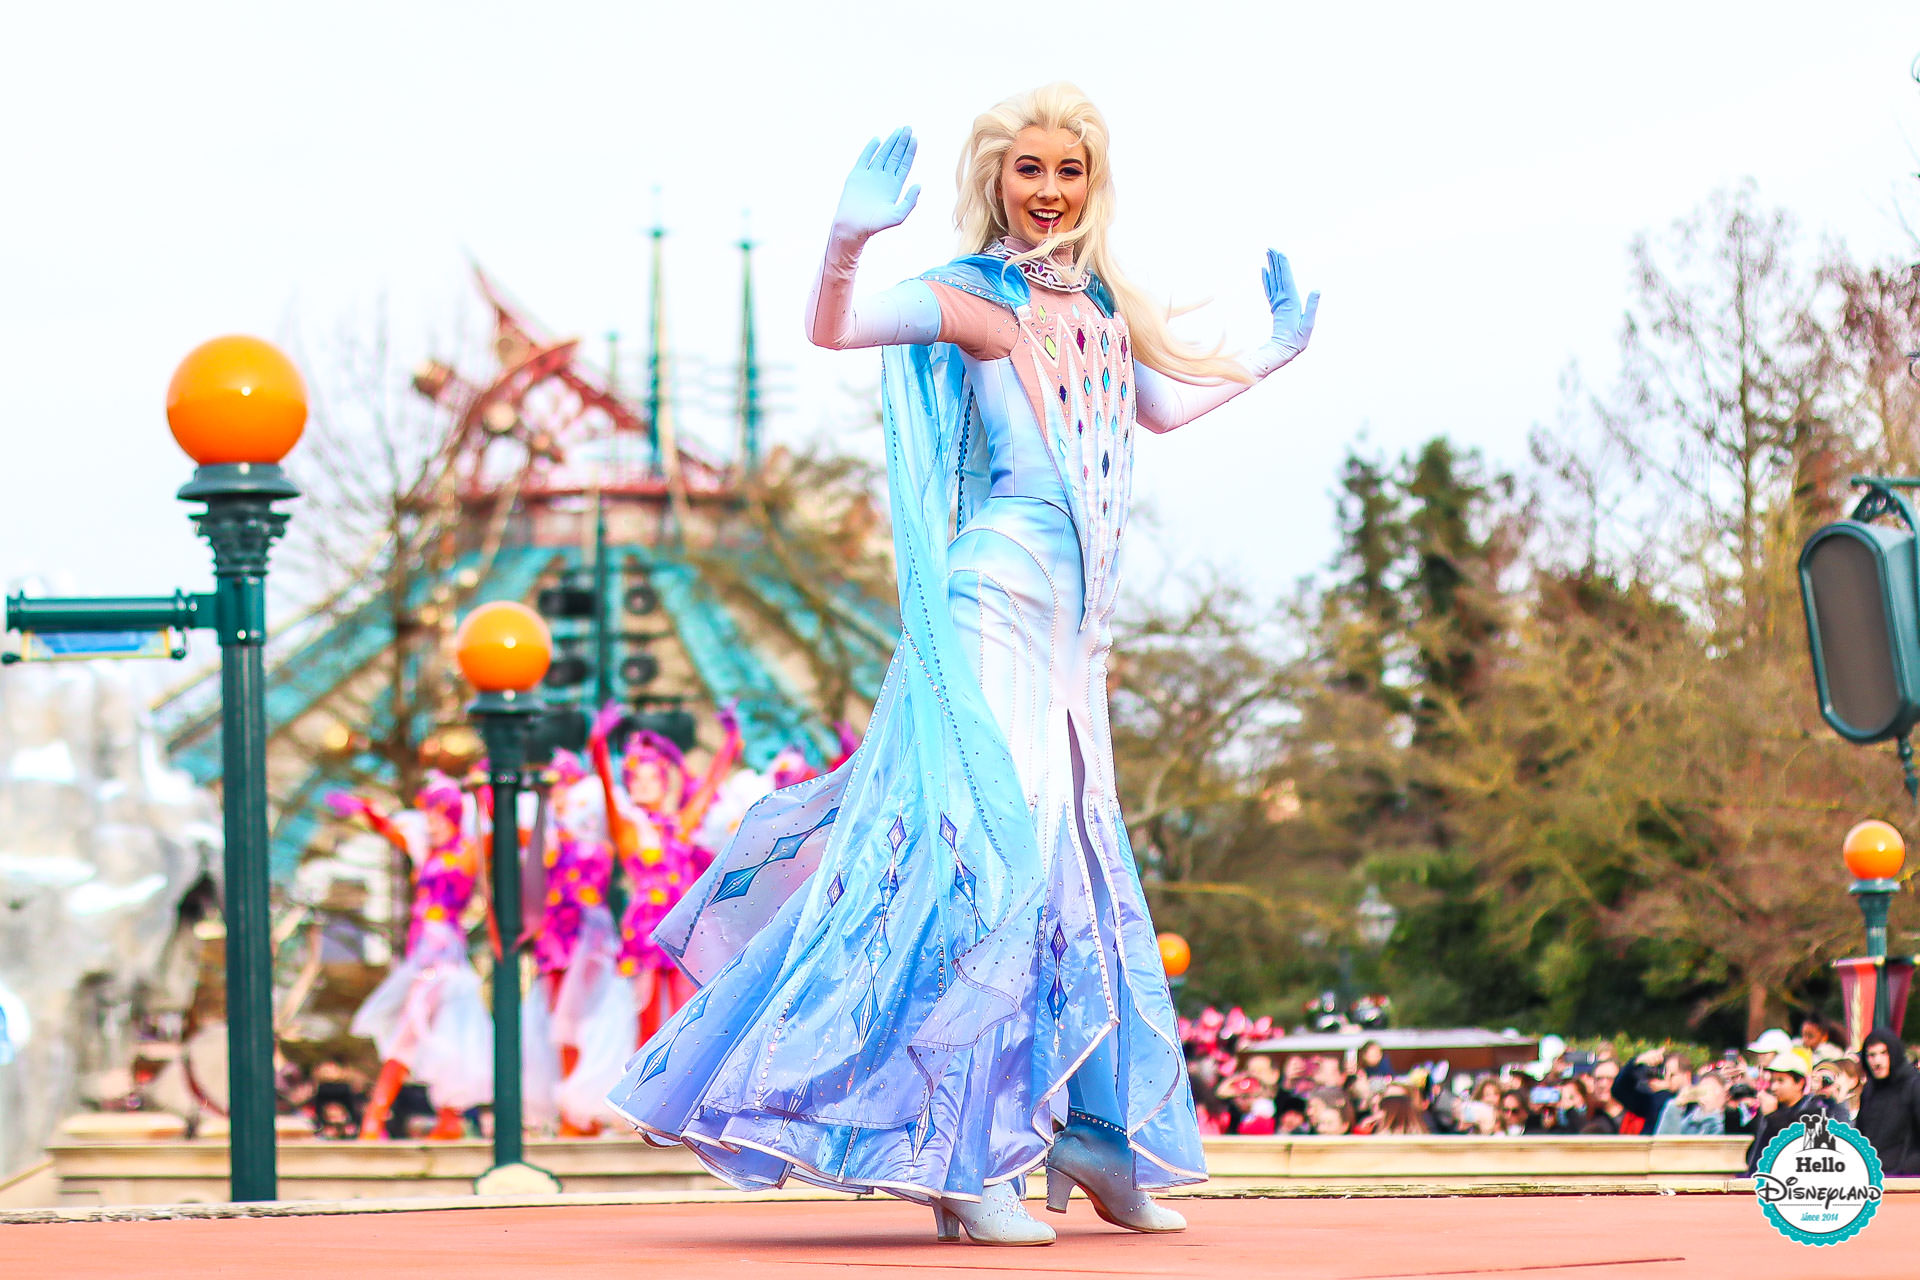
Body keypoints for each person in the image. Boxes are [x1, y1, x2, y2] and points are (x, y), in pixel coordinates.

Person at [605, 84, 1317, 1247]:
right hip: (996, 604)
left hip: (1076, 633)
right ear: (995, 177)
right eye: (1028, 168)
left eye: (1069, 171)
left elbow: (1161, 412)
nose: (1048, 190)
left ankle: (1092, 1131)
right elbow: (835, 328)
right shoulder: (976, 301)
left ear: (1095, 182)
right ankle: (960, 1150)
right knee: (998, 867)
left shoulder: (1098, 304)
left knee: (1084, 876)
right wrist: (845, 241)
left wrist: (1270, 356)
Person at [330, 775, 492, 1140]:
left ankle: (379, 1115)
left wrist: (484, 792)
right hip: (424, 957)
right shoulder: (426, 851)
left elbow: (488, 835)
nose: (429, 824)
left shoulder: (467, 849)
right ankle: (440, 1118)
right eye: (428, 816)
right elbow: (393, 831)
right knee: (430, 1033)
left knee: (424, 1030)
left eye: (437, 816)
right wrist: (369, 812)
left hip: (445, 961)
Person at [1745, 1048, 1847, 1175]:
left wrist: (1773, 1116)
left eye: (1781, 1081)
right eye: (1772, 1081)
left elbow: (1797, 1143)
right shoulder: (1771, 1106)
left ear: (1799, 1083)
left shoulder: (1813, 1109)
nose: (1774, 1087)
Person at [1855, 1027, 1920, 1175]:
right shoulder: (1869, 1090)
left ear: (1894, 1053)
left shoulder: (1913, 1086)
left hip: (1907, 1179)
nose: (1877, 1061)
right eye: (1871, 1055)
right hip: (1874, 1175)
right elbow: (1861, 1135)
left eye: (1883, 1053)